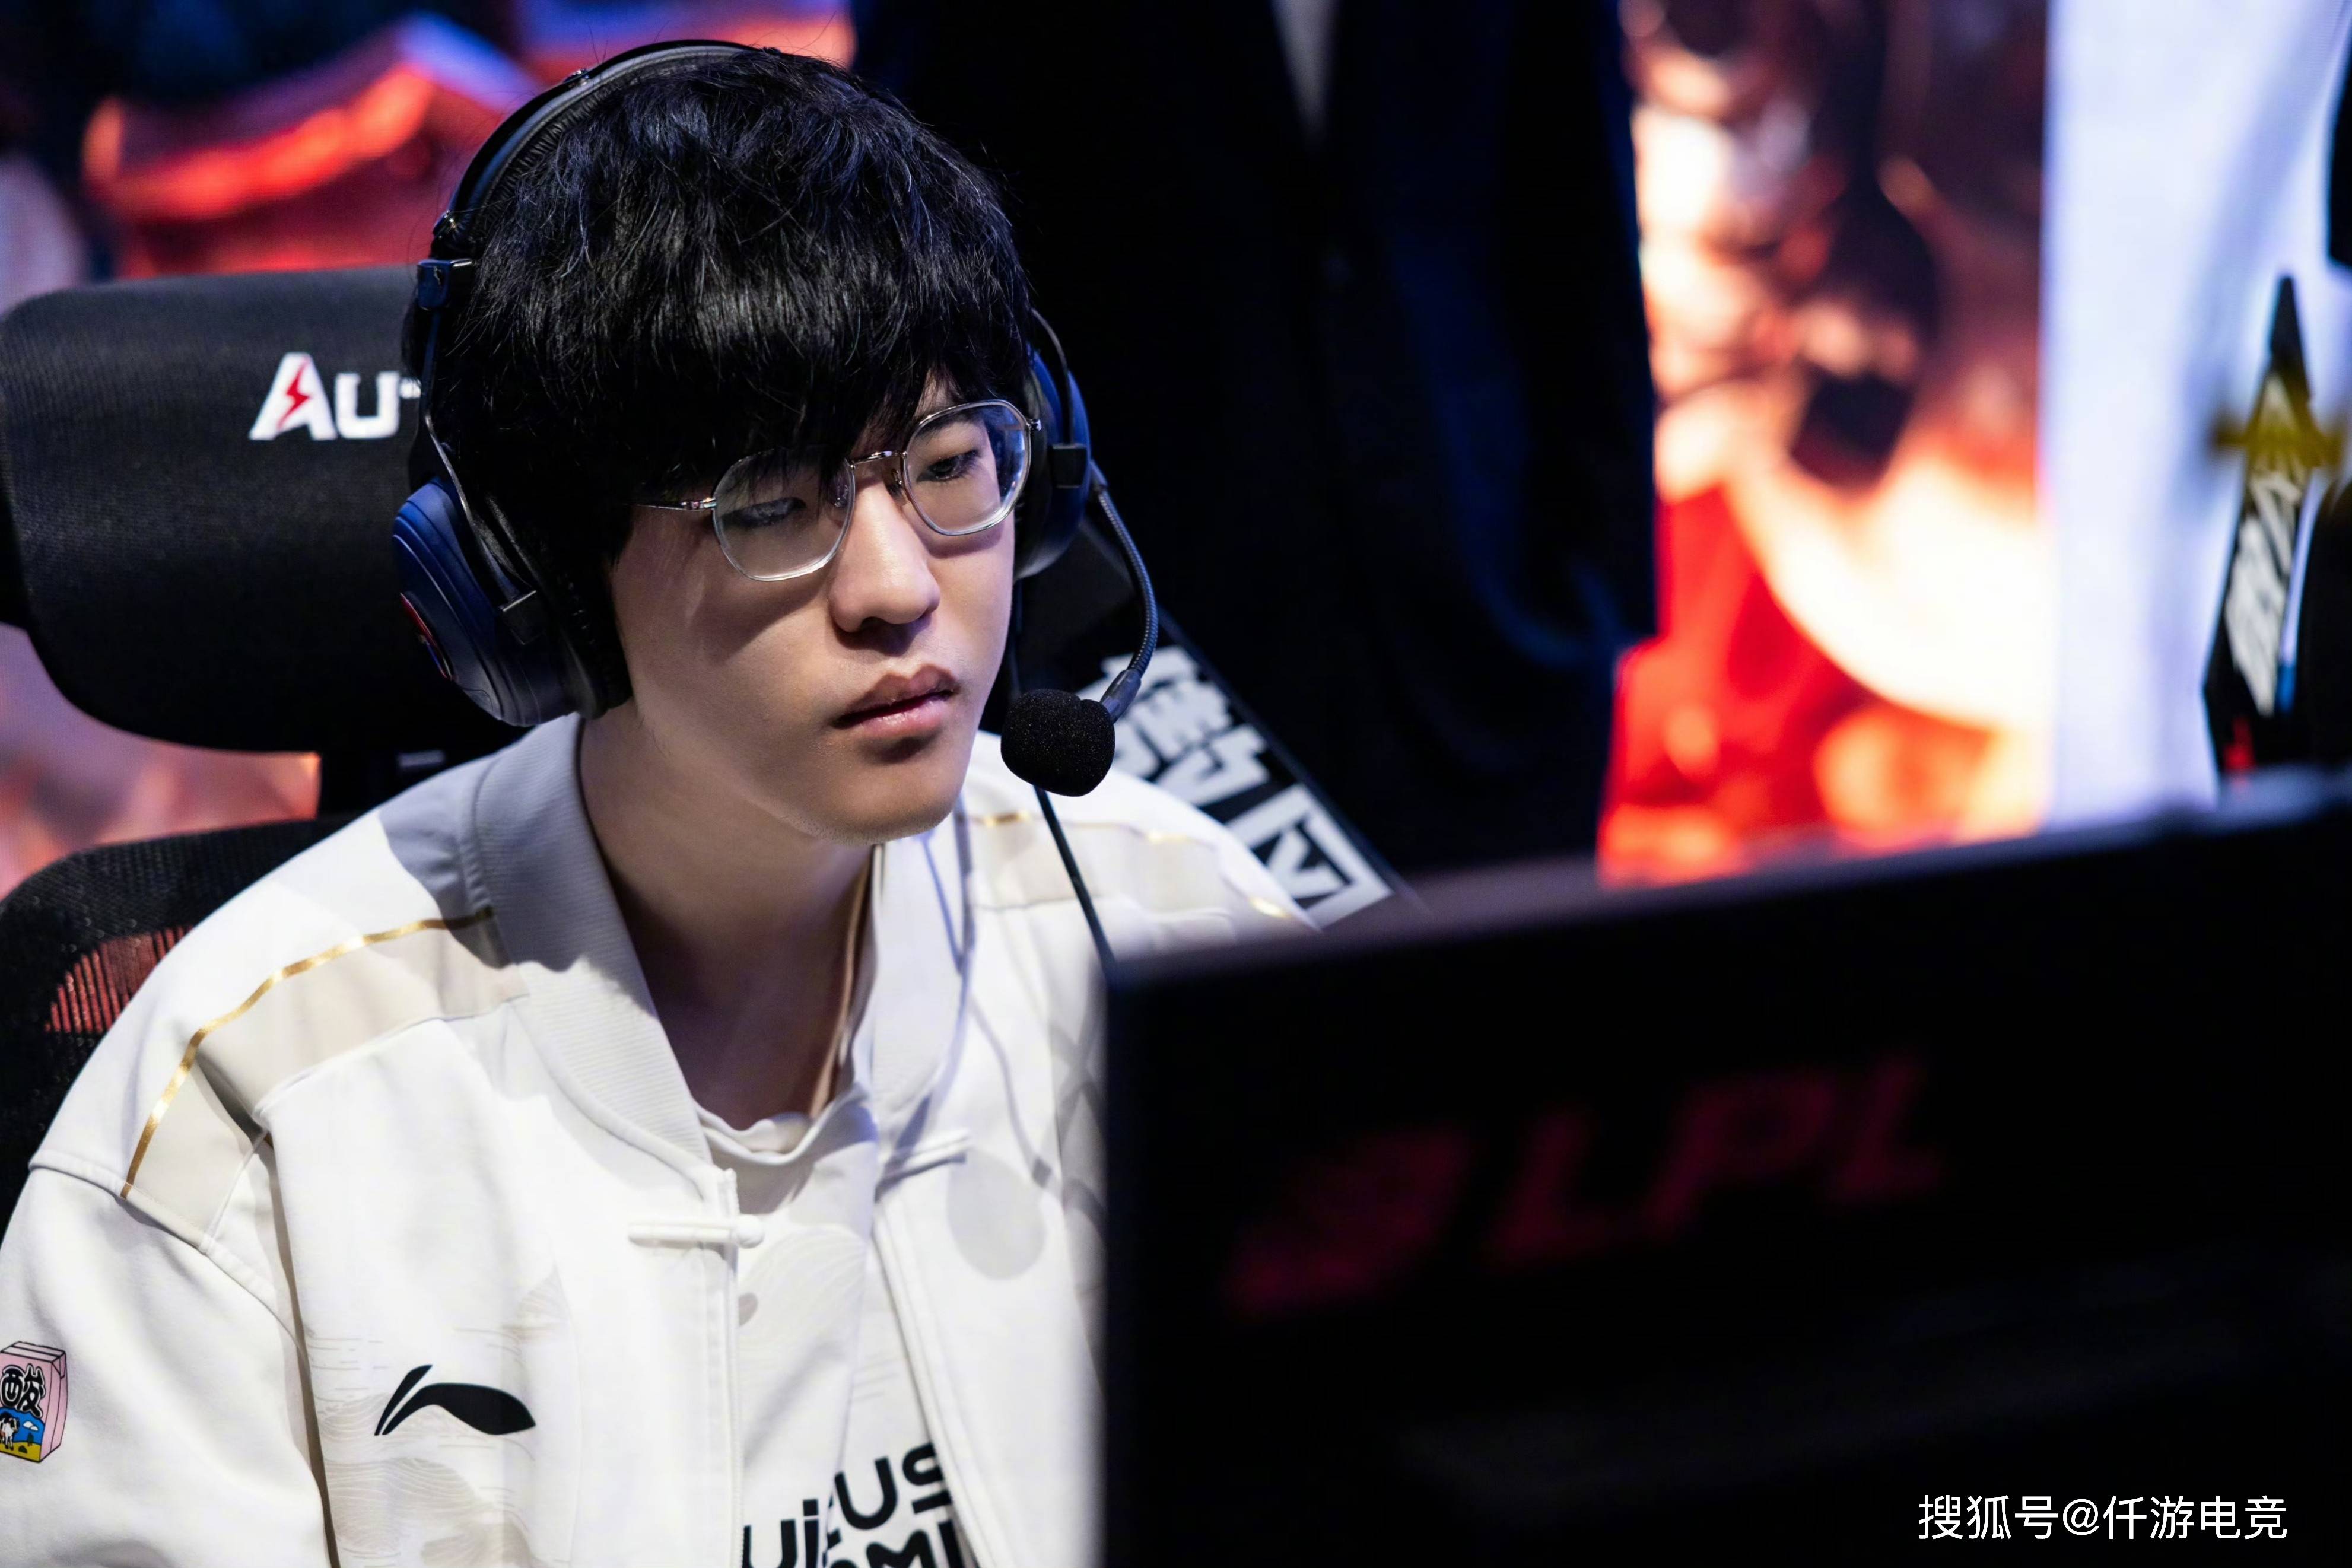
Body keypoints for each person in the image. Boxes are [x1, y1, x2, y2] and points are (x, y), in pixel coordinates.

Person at [0, 46, 1296, 1568]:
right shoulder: (248, 1101)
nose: (896, 587)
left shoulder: (1168, 936)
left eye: (951, 465)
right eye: (772, 504)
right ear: (540, 575)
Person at [854, 0, 1657, 875]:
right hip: (1150, 629)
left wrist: (1598, 592)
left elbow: (1583, 214)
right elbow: (920, 212)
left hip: (1495, 615)